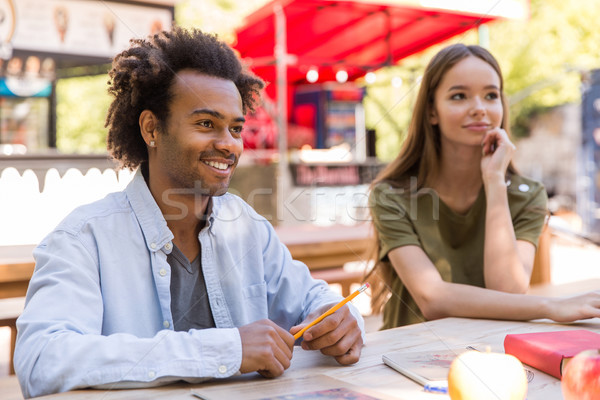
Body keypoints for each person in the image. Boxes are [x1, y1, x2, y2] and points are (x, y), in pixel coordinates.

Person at [14, 28, 364, 398]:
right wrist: (228, 349)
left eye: (235, 128)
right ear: (152, 128)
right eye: (205, 124)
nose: (228, 144)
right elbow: (42, 360)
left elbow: (313, 300)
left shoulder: (245, 226)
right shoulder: (84, 238)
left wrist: (339, 320)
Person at [366, 43, 600, 329]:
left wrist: (494, 182)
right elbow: (433, 299)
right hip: (406, 356)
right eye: (459, 96)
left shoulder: (528, 195)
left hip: (493, 352)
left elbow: (507, 291)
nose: (479, 109)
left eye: (491, 95)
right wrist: (550, 306)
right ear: (431, 112)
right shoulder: (391, 194)